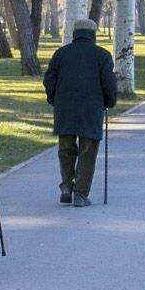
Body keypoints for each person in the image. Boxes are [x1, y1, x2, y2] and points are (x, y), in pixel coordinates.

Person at [43, 18, 117, 207]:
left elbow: (49, 80)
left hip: (64, 109)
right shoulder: (102, 55)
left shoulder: (61, 54)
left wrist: (54, 99)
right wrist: (109, 102)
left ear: (75, 33)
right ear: (93, 34)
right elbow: (109, 84)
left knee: (66, 150)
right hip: (91, 110)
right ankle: (81, 194)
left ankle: (67, 186)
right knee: (87, 152)